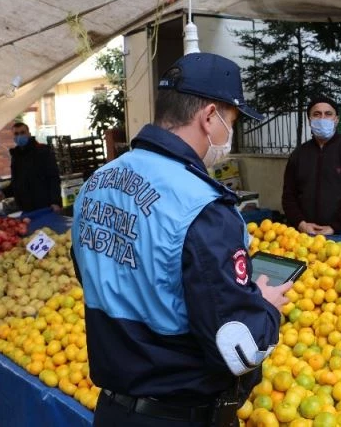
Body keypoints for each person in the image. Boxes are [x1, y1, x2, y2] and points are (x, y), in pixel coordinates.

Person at [71, 52, 291, 427]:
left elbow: (97, 275)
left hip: (112, 411)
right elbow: (237, 348)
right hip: (179, 415)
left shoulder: (96, 184)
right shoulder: (203, 207)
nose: (229, 134)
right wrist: (266, 308)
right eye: (232, 121)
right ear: (209, 116)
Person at [282, 96, 341, 243]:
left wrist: (335, 226)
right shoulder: (298, 155)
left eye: (328, 114)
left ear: (336, 119)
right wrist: (300, 223)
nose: (322, 118)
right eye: (317, 114)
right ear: (309, 120)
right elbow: (289, 195)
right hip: (306, 235)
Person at [0, 122, 62, 213]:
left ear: (29, 134)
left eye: (22, 132)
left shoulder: (42, 151)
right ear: (14, 137)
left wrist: (55, 202)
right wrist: (3, 193)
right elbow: (16, 183)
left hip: (45, 206)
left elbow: (53, 178)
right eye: (16, 134)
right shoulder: (16, 156)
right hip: (25, 207)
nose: (20, 136)